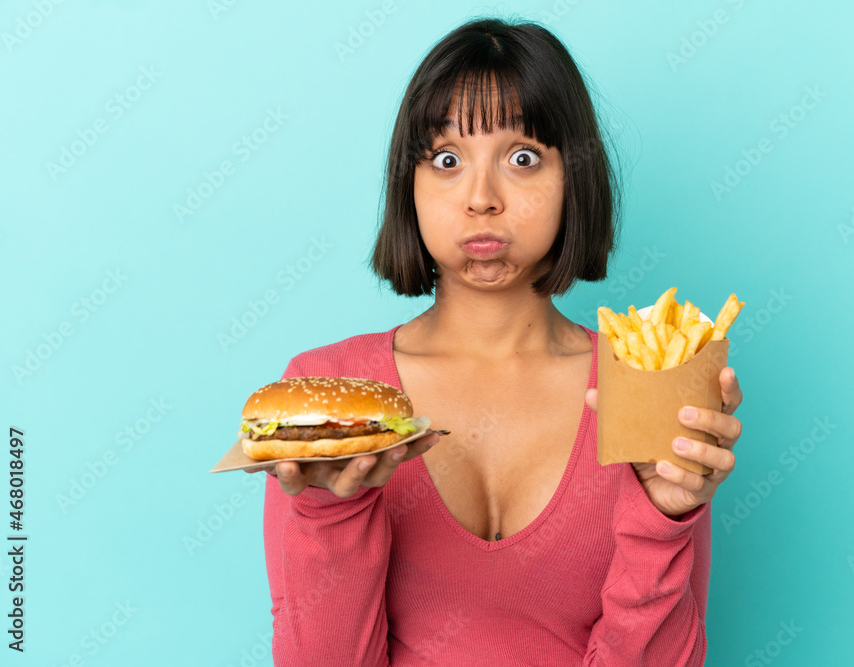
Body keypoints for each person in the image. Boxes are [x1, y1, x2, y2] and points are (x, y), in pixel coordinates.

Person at [259, 17, 743, 666]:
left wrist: (663, 519)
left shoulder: (646, 382)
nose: (481, 198)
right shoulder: (327, 396)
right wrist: (328, 511)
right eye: (447, 159)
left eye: (522, 158)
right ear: (410, 183)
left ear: (575, 177)